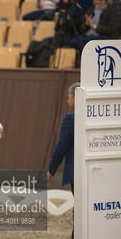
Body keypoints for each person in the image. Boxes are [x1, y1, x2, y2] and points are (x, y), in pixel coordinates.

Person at [47, 82, 79, 239]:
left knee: (79, 212)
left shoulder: (71, 118)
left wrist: (52, 168)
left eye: (69, 96)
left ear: (74, 98)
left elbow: (61, 146)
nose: (67, 98)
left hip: (78, 172)